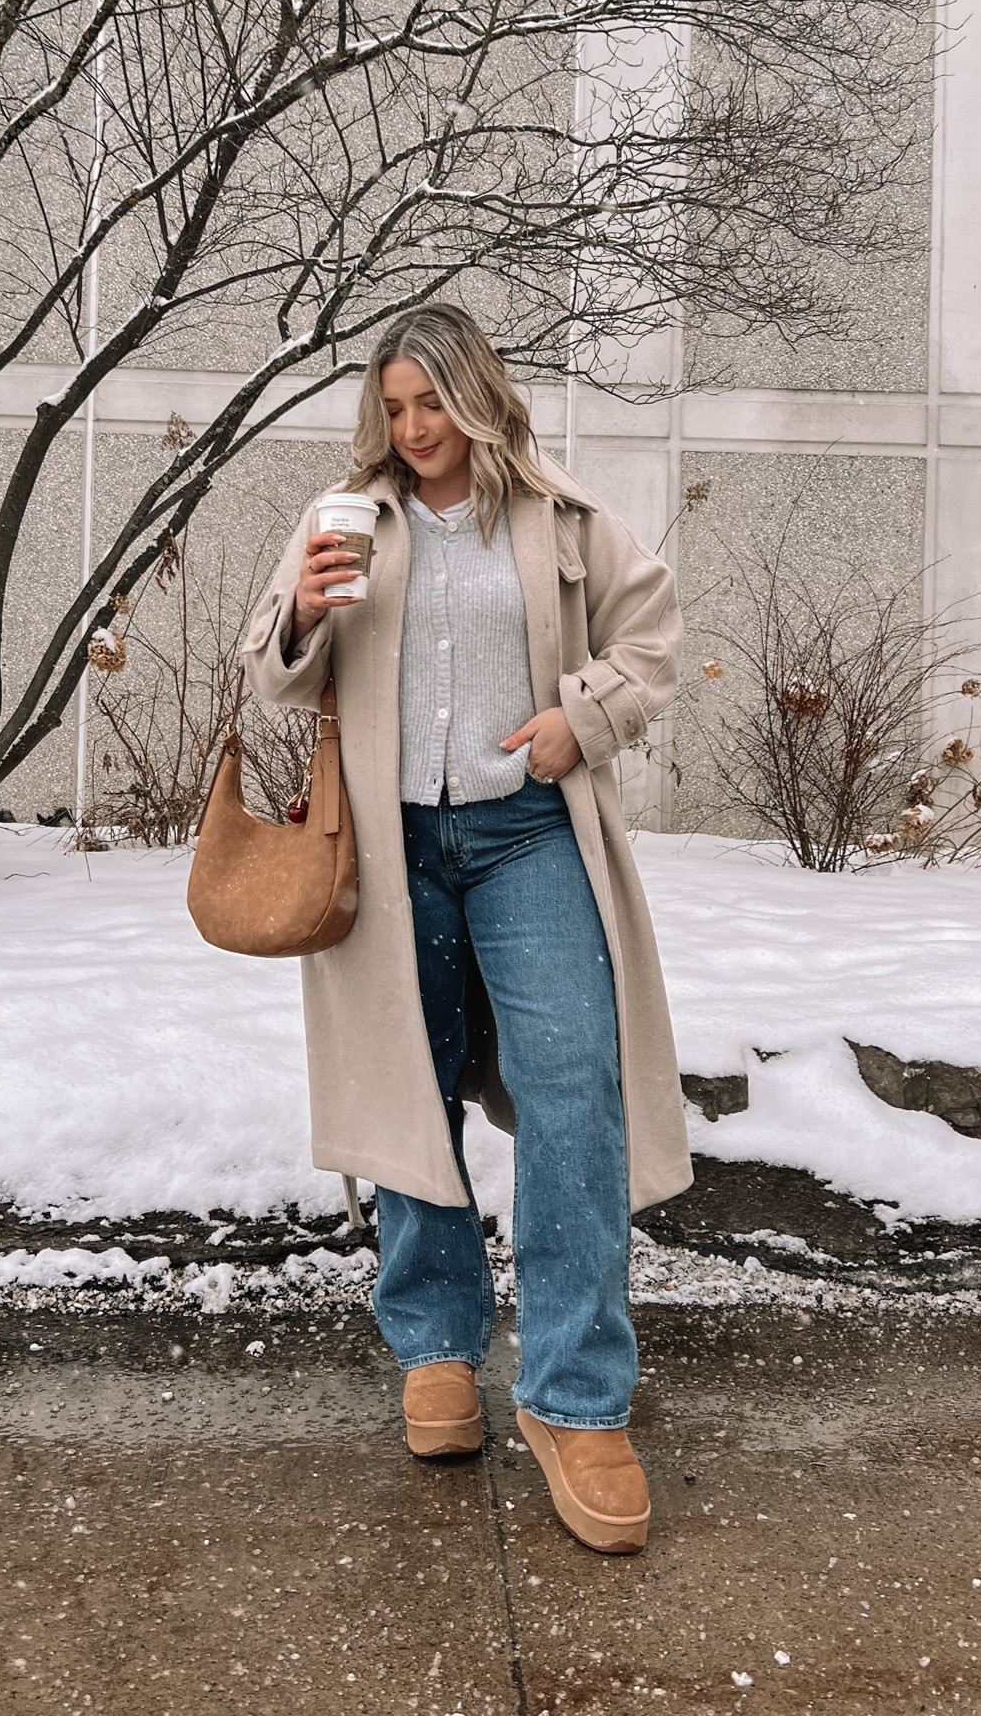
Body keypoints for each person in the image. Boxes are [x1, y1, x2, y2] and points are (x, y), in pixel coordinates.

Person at [241, 304, 691, 1554]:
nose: (412, 428)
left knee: (572, 1089)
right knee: (409, 1087)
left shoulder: (564, 521)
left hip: (527, 837)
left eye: (430, 402)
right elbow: (267, 673)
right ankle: (435, 1349)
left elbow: (650, 643)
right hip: (386, 850)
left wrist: (576, 721)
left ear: (478, 397)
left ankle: (575, 1397)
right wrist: (301, 613)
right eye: (393, 408)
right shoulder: (347, 520)